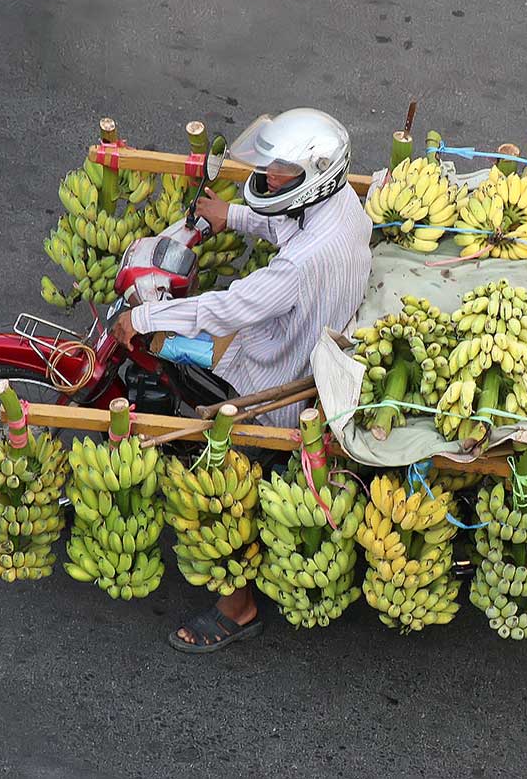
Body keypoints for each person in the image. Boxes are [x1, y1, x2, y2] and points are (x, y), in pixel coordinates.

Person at [110, 108, 372, 653]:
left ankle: (238, 608)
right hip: (314, 337)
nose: (271, 177)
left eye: (282, 171)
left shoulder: (298, 267)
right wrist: (233, 217)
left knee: (214, 487)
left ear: (313, 177)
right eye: (271, 166)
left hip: (274, 379)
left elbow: (230, 309)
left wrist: (147, 318)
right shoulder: (343, 206)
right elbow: (286, 219)